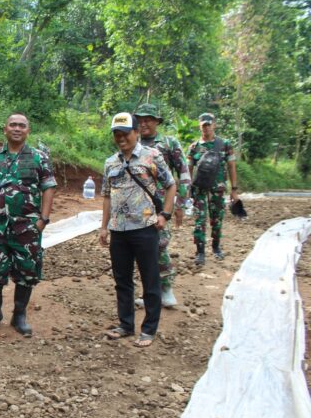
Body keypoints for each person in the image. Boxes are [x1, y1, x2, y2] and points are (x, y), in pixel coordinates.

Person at [0, 114, 56, 337]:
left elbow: (48, 186)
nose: (17, 128)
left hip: (27, 226)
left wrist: (43, 219)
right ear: (5, 129)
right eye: (13, 125)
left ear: (28, 130)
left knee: (26, 271)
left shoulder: (39, 158)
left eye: (22, 125)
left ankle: (19, 315)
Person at [99, 113, 176, 348]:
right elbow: (106, 195)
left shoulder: (152, 156)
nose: (121, 138)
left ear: (136, 132)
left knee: (150, 278)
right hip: (118, 231)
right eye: (116, 134)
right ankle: (125, 325)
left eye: (125, 133)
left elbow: (171, 185)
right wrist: (103, 227)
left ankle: (149, 329)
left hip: (145, 228)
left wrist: (165, 214)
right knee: (122, 280)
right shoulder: (110, 162)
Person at [134, 103, 191, 307]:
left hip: (161, 206)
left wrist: (180, 204)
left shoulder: (168, 143)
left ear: (157, 121)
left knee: (159, 245)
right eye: (140, 120)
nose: (144, 123)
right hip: (137, 206)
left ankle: (166, 289)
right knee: (140, 249)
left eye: (148, 119)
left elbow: (183, 174)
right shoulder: (133, 143)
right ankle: (150, 292)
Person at [188, 113, 239, 265]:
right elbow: (188, 169)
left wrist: (234, 189)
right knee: (200, 220)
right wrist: (187, 189)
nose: (207, 127)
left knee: (217, 219)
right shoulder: (194, 147)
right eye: (204, 125)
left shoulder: (225, 145)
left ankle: (216, 247)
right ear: (200, 126)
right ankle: (200, 251)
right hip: (200, 190)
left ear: (214, 125)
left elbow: (231, 167)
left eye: (209, 124)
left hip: (218, 189)